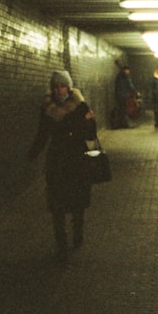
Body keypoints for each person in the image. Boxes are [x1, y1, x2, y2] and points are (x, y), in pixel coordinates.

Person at [27, 69, 97, 264]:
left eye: (62, 86)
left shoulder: (81, 107)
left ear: (69, 86)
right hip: (57, 162)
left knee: (77, 203)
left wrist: (90, 126)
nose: (58, 90)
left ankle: (77, 231)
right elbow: (42, 134)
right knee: (57, 204)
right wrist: (32, 154)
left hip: (76, 161)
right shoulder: (47, 109)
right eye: (55, 87)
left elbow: (90, 134)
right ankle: (61, 246)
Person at [113, 61, 140, 129]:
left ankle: (121, 124)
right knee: (124, 111)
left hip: (118, 95)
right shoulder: (125, 77)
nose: (129, 72)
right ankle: (123, 124)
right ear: (126, 70)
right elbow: (130, 86)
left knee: (121, 110)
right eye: (128, 70)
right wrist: (136, 92)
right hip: (123, 96)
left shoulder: (119, 76)